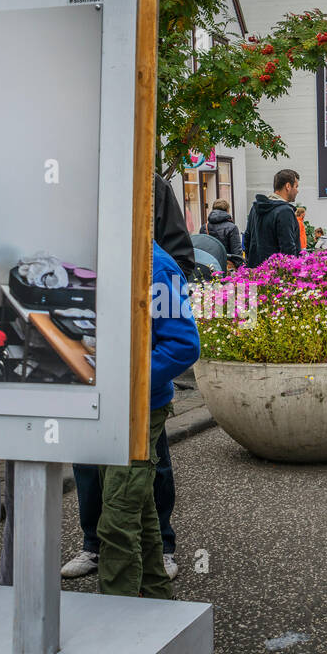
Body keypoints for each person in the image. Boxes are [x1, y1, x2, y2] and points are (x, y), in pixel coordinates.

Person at [64, 178, 194, 580]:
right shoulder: (85, 252)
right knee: (90, 469)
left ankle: (153, 556)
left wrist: (130, 379)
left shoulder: (156, 259)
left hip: (139, 398)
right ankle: (99, 547)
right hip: (93, 391)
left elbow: (183, 344)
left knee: (144, 478)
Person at [96, 241, 200, 598]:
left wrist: (124, 382)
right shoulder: (107, 255)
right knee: (134, 509)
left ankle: (117, 620)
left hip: (137, 407)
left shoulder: (157, 267)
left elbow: (184, 346)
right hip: (107, 406)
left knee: (118, 517)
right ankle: (156, 602)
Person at [244, 169, 301, 266]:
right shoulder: (285, 211)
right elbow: (288, 248)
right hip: (277, 274)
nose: (297, 191)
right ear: (288, 186)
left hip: (256, 272)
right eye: (296, 186)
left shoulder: (255, 208)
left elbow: (247, 239)